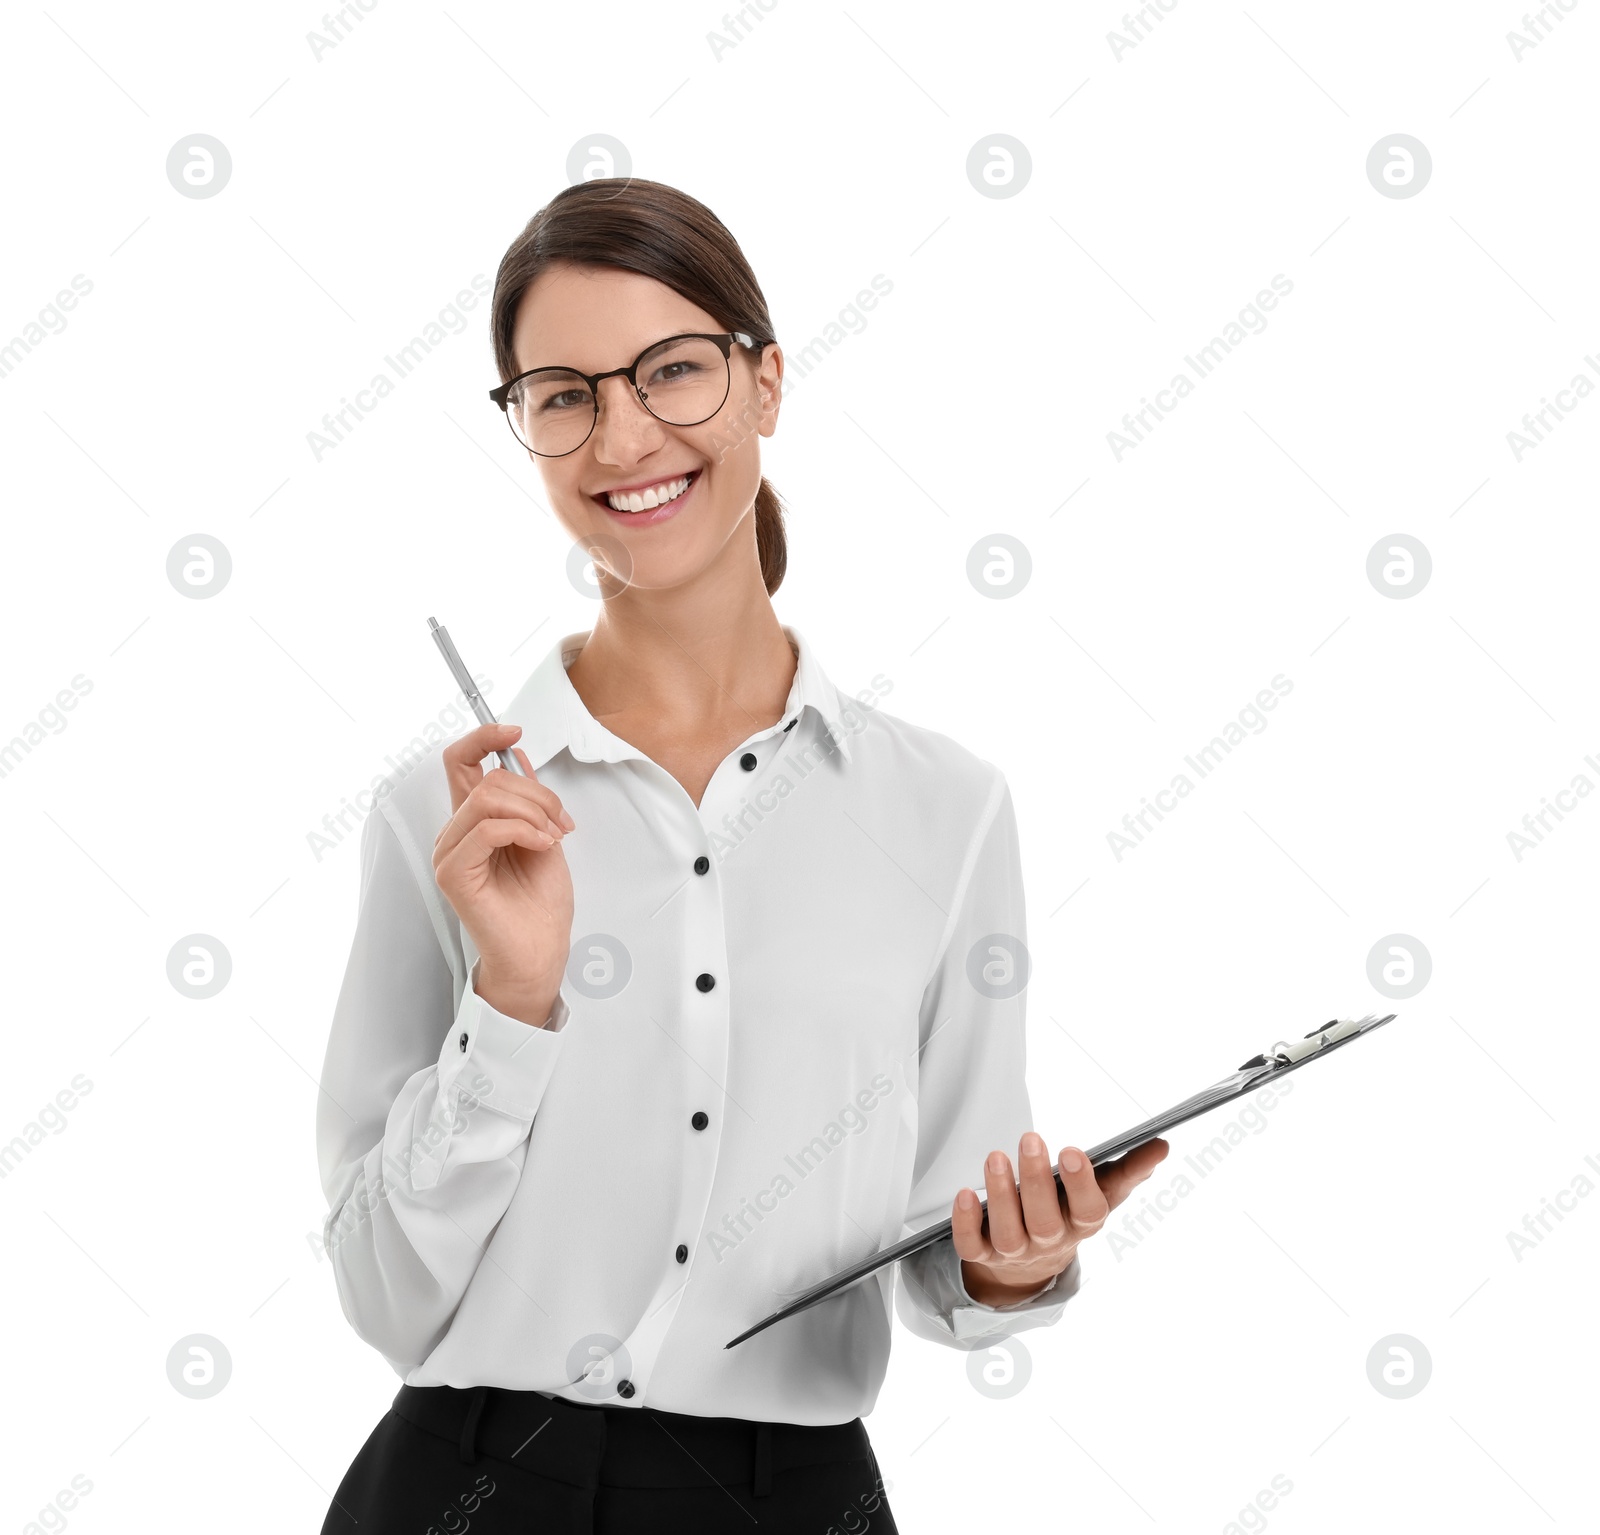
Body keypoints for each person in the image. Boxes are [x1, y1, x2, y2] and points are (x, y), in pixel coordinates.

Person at [315, 177, 1168, 1533]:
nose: (624, 434)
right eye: (563, 394)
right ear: (528, 434)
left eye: (672, 371)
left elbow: (950, 1245)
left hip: (791, 1501)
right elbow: (380, 1295)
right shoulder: (448, 818)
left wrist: (1013, 1266)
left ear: (765, 383)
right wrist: (513, 1002)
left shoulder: (945, 812)